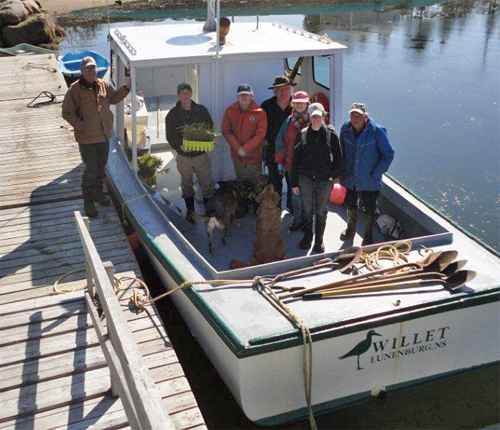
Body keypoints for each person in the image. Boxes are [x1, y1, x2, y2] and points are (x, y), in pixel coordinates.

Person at [62, 56, 130, 218]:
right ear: (82, 71)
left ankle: (99, 194)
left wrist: (127, 88)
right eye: (88, 69)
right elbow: (67, 113)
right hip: (87, 139)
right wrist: (81, 126)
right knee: (91, 170)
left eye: (93, 68)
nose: (91, 71)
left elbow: (113, 98)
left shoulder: (103, 85)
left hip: (103, 137)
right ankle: (88, 201)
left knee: (101, 168)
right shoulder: (74, 90)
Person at [339, 102, 395, 245]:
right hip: (350, 177)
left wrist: (376, 173)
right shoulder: (345, 129)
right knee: (350, 204)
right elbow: (342, 152)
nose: (355, 118)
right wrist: (341, 171)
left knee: (369, 208)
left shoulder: (377, 131)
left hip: (369, 179)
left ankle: (368, 235)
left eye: (358, 115)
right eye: (352, 115)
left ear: (365, 116)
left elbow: (388, 154)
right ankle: (350, 229)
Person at [291, 103, 342, 253]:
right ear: (309, 117)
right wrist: (294, 183)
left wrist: (333, 177)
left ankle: (319, 240)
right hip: (305, 179)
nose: (316, 119)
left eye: (319, 116)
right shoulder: (302, 134)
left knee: (321, 211)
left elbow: (338, 158)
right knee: (307, 210)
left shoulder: (331, 135)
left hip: (325, 180)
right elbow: (295, 161)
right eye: (313, 116)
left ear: (323, 117)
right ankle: (308, 237)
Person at [165, 82, 216, 223]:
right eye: (182, 92)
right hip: (183, 157)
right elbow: (170, 136)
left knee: (207, 183)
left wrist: (205, 138)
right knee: (186, 184)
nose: (185, 95)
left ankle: (209, 212)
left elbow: (210, 126)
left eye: (187, 92)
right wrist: (179, 146)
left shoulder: (201, 110)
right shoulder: (172, 114)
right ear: (178, 95)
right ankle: (191, 213)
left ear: (191, 93)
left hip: (200, 155)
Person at [221, 84, 267, 193]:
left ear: (252, 96)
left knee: (257, 186)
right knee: (241, 187)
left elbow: (260, 135)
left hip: (254, 158)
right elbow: (226, 131)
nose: (244, 97)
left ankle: (256, 209)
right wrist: (238, 148)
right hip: (238, 158)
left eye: (247, 95)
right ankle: (244, 209)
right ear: (237, 97)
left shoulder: (260, 113)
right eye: (241, 95)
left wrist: (245, 149)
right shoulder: (230, 111)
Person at [274, 90, 310, 231]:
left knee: (308, 194)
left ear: (307, 104)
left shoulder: (314, 120)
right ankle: (297, 219)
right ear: (293, 104)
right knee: (295, 194)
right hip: (291, 165)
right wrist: (279, 162)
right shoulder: (288, 121)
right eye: (297, 103)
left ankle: (308, 220)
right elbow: (280, 142)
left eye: (303, 103)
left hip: (309, 166)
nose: (300, 106)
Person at [261, 75, 296, 207]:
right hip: (272, 151)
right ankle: (274, 210)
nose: (283, 92)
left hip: (293, 152)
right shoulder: (266, 106)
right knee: (274, 182)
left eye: (286, 88)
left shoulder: (297, 105)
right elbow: (260, 127)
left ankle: (293, 211)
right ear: (275, 91)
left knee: (293, 182)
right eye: (279, 89)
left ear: (291, 90)